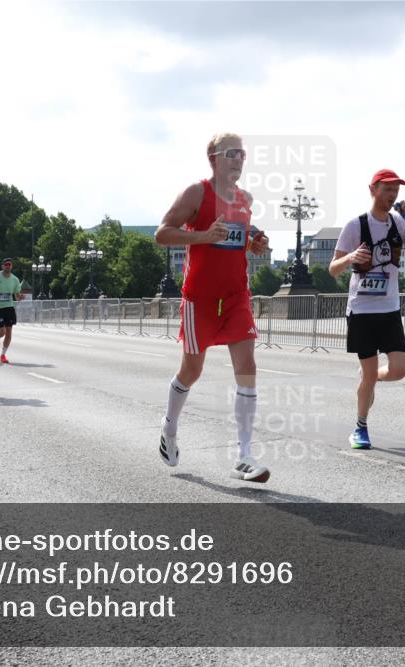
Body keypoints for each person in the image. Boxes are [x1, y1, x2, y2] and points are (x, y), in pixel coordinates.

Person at [154, 132, 272, 483]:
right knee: (192, 370)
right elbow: (163, 233)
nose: (239, 159)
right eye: (232, 153)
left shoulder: (245, 199)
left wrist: (254, 245)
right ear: (214, 159)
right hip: (199, 299)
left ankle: (244, 455)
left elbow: (237, 241)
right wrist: (203, 236)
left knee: (247, 366)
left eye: (242, 154)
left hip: (236, 296)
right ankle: (169, 429)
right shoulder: (197, 193)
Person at [329, 169, 405, 450]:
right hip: (361, 310)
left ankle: (368, 378)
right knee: (370, 373)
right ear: (372, 190)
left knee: (399, 370)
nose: (392, 194)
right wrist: (350, 257)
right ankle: (360, 427)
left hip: (389, 308)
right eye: (387, 189)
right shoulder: (355, 226)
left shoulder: (399, 224)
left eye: (396, 190)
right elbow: (333, 269)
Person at [0, 258, 22, 363]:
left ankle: (3, 355)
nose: (7, 266)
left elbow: (17, 296)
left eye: (9, 264)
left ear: (11, 266)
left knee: (9, 332)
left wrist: (20, 297)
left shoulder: (15, 280)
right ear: (2, 266)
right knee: (2, 332)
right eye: (6, 264)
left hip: (9, 307)